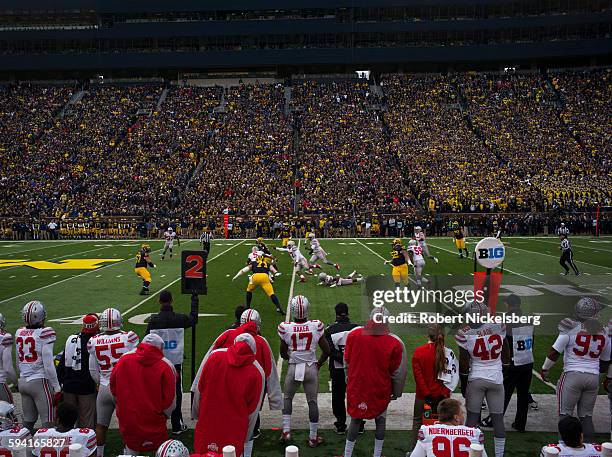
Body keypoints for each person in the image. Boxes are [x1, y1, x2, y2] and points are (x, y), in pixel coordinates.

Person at [192, 309, 281, 457]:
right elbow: (270, 371)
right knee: (243, 427)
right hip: (246, 393)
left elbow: (203, 372)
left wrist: (196, 409)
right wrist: (275, 400)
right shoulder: (259, 351)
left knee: (211, 430)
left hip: (218, 389)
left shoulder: (224, 340)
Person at [541, 297, 610, 443]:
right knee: (586, 417)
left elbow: (554, 351)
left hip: (572, 376)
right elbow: (605, 361)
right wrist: (601, 376)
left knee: (564, 416)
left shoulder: (570, 326)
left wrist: (545, 369)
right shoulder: (604, 331)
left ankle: (563, 448)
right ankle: (590, 449)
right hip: (593, 377)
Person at [341, 307, 407, 457]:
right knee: (381, 420)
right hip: (380, 387)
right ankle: (376, 454)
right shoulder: (394, 342)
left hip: (358, 386)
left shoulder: (354, 334)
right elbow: (397, 372)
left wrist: (348, 380)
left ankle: (347, 454)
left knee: (355, 420)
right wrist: (396, 392)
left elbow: (347, 361)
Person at [192, 333, 264, 457]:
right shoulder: (257, 371)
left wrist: (197, 414)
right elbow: (252, 411)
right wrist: (246, 437)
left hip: (207, 423)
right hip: (234, 430)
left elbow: (199, 390)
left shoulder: (214, 356)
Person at [456, 301, 509, 457]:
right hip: (497, 378)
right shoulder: (498, 325)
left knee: (472, 419)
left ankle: (470, 453)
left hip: (476, 378)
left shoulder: (464, 333)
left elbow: (464, 364)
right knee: (498, 419)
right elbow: (506, 352)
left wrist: (464, 383)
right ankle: (499, 455)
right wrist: (502, 371)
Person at [110, 334, 177, 456]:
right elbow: (170, 399)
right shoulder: (166, 365)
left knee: (131, 449)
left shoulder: (124, 359)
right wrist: (164, 415)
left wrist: (122, 407)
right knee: (160, 450)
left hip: (129, 417)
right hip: (155, 418)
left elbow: (113, 388)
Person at [278, 295, 330, 447]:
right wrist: (318, 364)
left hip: (294, 367)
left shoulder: (285, 327)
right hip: (310, 368)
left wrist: (294, 357)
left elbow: (282, 354)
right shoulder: (316, 325)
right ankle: (313, 437)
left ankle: (286, 431)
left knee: (287, 399)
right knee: (312, 402)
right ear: (308, 308)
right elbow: (327, 351)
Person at [88, 308, 139, 457]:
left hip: (104, 387)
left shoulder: (94, 341)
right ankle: (128, 453)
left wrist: (102, 382)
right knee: (128, 425)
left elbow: (93, 370)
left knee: (101, 425)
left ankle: (100, 454)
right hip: (123, 388)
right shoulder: (128, 337)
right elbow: (137, 363)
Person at [146, 290, 198, 436]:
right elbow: (193, 319)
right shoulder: (179, 318)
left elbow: (146, 340)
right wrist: (194, 300)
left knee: (158, 392)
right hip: (175, 363)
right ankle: (176, 424)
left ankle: (158, 423)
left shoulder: (154, 320)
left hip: (158, 362)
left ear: (159, 301)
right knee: (176, 392)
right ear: (172, 301)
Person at [483, 295, 534, 432]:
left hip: (512, 362)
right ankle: (520, 424)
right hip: (527, 361)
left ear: (508, 304)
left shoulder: (505, 320)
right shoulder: (528, 319)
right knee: (523, 395)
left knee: (503, 393)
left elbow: (499, 342)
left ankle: (494, 420)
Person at [15, 300, 61, 431]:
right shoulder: (45, 333)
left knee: (28, 423)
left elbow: (18, 361)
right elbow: (48, 363)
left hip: (23, 381)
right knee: (49, 424)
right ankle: (45, 451)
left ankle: (22, 449)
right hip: (39, 382)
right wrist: (57, 387)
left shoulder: (19, 332)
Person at [57, 313, 99, 429]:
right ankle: (85, 446)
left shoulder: (72, 338)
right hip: (86, 388)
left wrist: (59, 383)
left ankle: (67, 446)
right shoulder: (96, 341)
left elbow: (61, 364)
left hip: (69, 386)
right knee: (87, 423)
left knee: (67, 422)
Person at [411, 324, 452, 442]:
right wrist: (443, 393)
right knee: (443, 424)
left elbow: (418, 377)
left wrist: (427, 394)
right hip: (442, 397)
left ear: (427, 335)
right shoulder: (449, 353)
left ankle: (415, 451)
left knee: (418, 421)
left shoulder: (419, 352)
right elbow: (451, 377)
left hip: (423, 396)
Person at [324, 303, 360, 434]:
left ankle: (340, 424)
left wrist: (345, 360)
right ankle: (359, 423)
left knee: (338, 397)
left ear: (336, 313)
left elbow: (331, 351)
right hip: (355, 369)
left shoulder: (330, 330)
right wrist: (352, 362)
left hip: (338, 369)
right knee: (356, 395)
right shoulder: (358, 328)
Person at [408, 398, 487, 457]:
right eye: (462, 413)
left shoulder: (427, 431)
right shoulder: (475, 433)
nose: (463, 416)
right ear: (456, 418)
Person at [32, 402, 96, 457]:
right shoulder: (86, 435)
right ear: (75, 419)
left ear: (58, 419)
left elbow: (35, 454)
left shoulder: (40, 435)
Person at [0, 314, 17, 404]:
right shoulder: (5, 337)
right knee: (9, 415)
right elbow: (8, 369)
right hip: (0, 383)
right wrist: (16, 384)